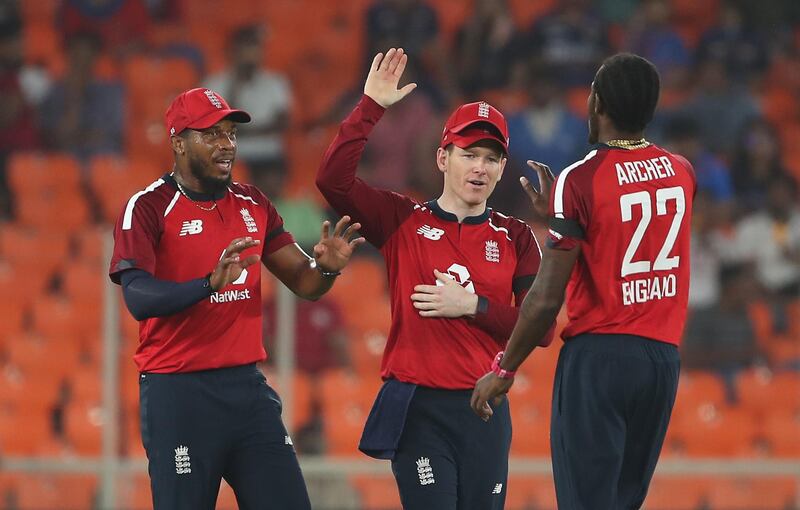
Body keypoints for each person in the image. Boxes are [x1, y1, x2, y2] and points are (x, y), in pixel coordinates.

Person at [316, 47, 552, 510]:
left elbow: (540, 330)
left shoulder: (518, 237)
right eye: (468, 154)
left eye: (491, 157)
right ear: (443, 158)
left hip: (484, 408)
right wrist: (371, 108)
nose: (480, 167)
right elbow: (333, 182)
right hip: (420, 409)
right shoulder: (402, 219)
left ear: (503, 168)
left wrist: (473, 306)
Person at [109, 87, 364, 510]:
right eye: (211, 134)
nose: (226, 144)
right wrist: (208, 284)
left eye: (230, 133)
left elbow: (304, 283)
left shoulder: (254, 202)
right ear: (178, 142)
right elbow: (138, 296)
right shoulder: (149, 206)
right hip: (179, 393)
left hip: (247, 390)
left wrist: (327, 268)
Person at [472, 53, 696, 510]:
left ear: (598, 104)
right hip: (661, 361)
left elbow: (545, 298)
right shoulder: (682, 171)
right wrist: (563, 218)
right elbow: (632, 230)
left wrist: (504, 369)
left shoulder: (580, 178)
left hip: (601, 359)